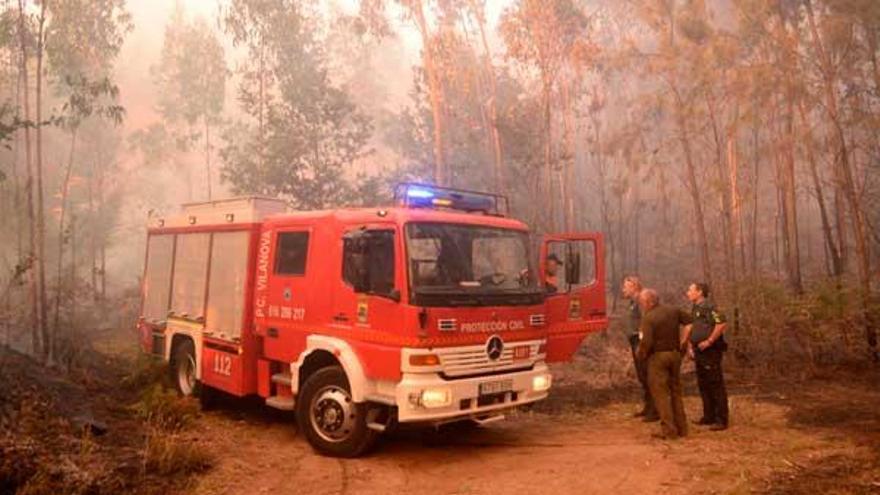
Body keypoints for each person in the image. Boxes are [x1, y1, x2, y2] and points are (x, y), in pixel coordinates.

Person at [636, 289, 692, 439]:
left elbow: (646, 342)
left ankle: (669, 431)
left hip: (658, 358)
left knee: (661, 395)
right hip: (675, 355)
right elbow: (689, 322)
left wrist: (641, 355)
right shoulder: (673, 310)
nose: (641, 305)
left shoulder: (649, 318)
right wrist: (684, 341)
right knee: (675, 392)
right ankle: (682, 429)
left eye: (642, 302)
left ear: (649, 302)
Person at [684, 282, 730, 431]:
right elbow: (693, 327)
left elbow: (722, 323)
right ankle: (708, 415)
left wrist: (710, 341)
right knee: (703, 384)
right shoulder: (695, 308)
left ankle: (721, 419)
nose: (688, 293)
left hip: (710, 351)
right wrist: (690, 346)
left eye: (690, 290)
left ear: (700, 292)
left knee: (715, 384)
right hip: (698, 350)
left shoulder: (710, 307)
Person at [621, 275, 657, 421]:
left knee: (647, 375)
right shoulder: (632, 302)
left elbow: (645, 322)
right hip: (634, 340)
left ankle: (654, 411)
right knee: (642, 376)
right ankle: (648, 407)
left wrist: (643, 344)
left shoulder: (641, 301)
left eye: (625, 286)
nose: (623, 289)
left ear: (634, 286)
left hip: (641, 341)